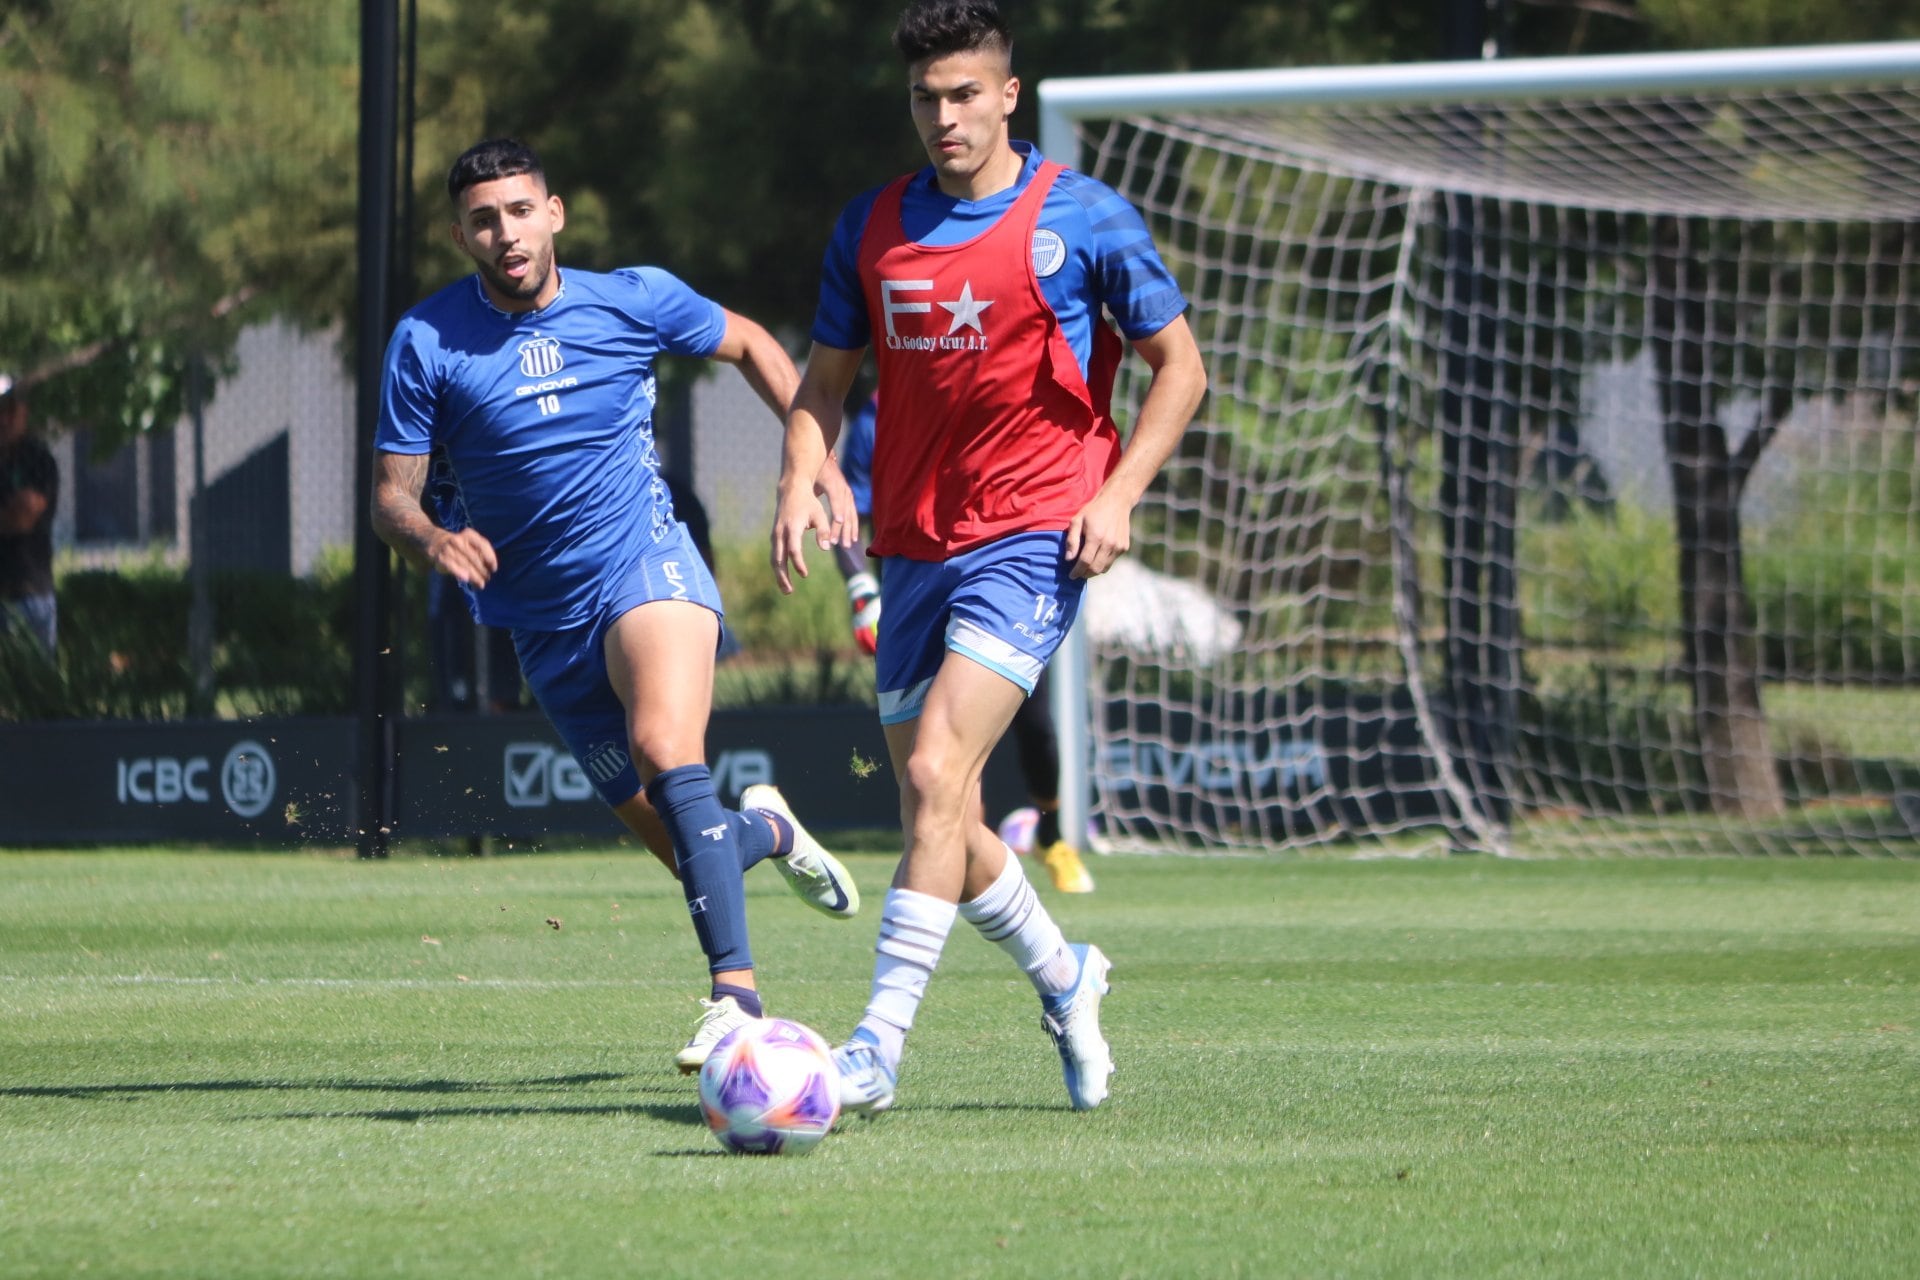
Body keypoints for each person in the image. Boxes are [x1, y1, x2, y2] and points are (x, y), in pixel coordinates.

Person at [771, 0, 1207, 1114]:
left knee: (928, 778)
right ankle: (1069, 977)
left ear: (1009, 94)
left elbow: (1182, 370)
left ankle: (875, 1047)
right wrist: (801, 475)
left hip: (1033, 533)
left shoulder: (1087, 219)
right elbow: (825, 382)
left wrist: (1116, 494)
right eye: (926, 97)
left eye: (966, 93)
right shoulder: (872, 227)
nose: (945, 115)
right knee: (948, 820)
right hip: (912, 537)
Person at [372, 138, 862, 1073]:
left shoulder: (632, 298)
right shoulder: (426, 340)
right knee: (691, 851)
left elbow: (756, 343)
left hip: (645, 567)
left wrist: (817, 465)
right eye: (484, 219)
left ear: (553, 212)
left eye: (520, 211)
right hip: (538, 623)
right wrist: (430, 539)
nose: (505, 233)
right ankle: (767, 830)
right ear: (459, 234)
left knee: (668, 751)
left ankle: (737, 1002)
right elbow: (392, 497)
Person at [833, 389, 1094, 893]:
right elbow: (846, 510)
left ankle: (1053, 836)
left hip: (1001, 585)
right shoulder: (873, 420)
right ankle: (979, 880)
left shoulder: (992, 386)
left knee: (1035, 725)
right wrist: (862, 590)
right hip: (914, 593)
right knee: (943, 785)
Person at [0, 375, 59, 658]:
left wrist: (14, 513)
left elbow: (24, 518)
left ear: (24, 412)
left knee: (34, 692)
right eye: (1, 410)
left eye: (12, 409)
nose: (5, 419)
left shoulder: (38, 460)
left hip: (31, 596)